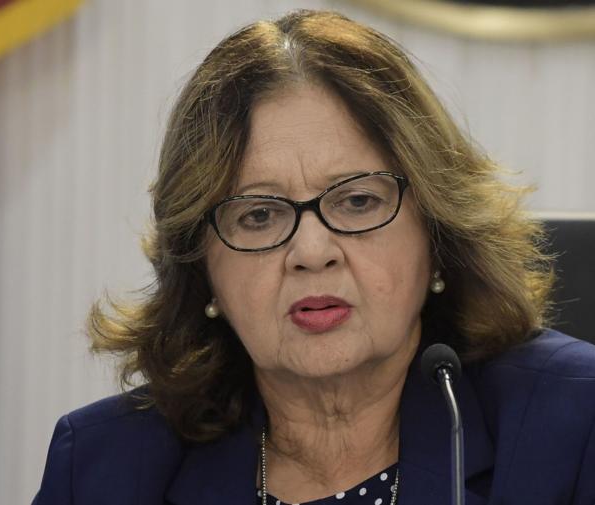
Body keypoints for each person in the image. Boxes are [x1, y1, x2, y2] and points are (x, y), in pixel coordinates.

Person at [33, 9, 595, 505]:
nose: (311, 252)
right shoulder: (103, 469)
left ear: (437, 232)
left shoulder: (574, 429)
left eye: (357, 201)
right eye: (259, 215)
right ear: (201, 269)